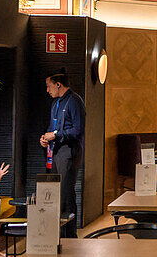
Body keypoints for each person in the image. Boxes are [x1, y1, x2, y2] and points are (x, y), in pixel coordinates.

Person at [41, 69, 86, 236]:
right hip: (56, 151)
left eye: (49, 86)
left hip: (69, 150)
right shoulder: (55, 103)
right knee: (55, 192)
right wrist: (46, 137)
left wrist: (56, 135)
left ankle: (70, 235)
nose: (47, 90)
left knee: (66, 193)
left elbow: (78, 129)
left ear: (58, 84)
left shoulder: (74, 101)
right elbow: (52, 128)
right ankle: (56, 235)